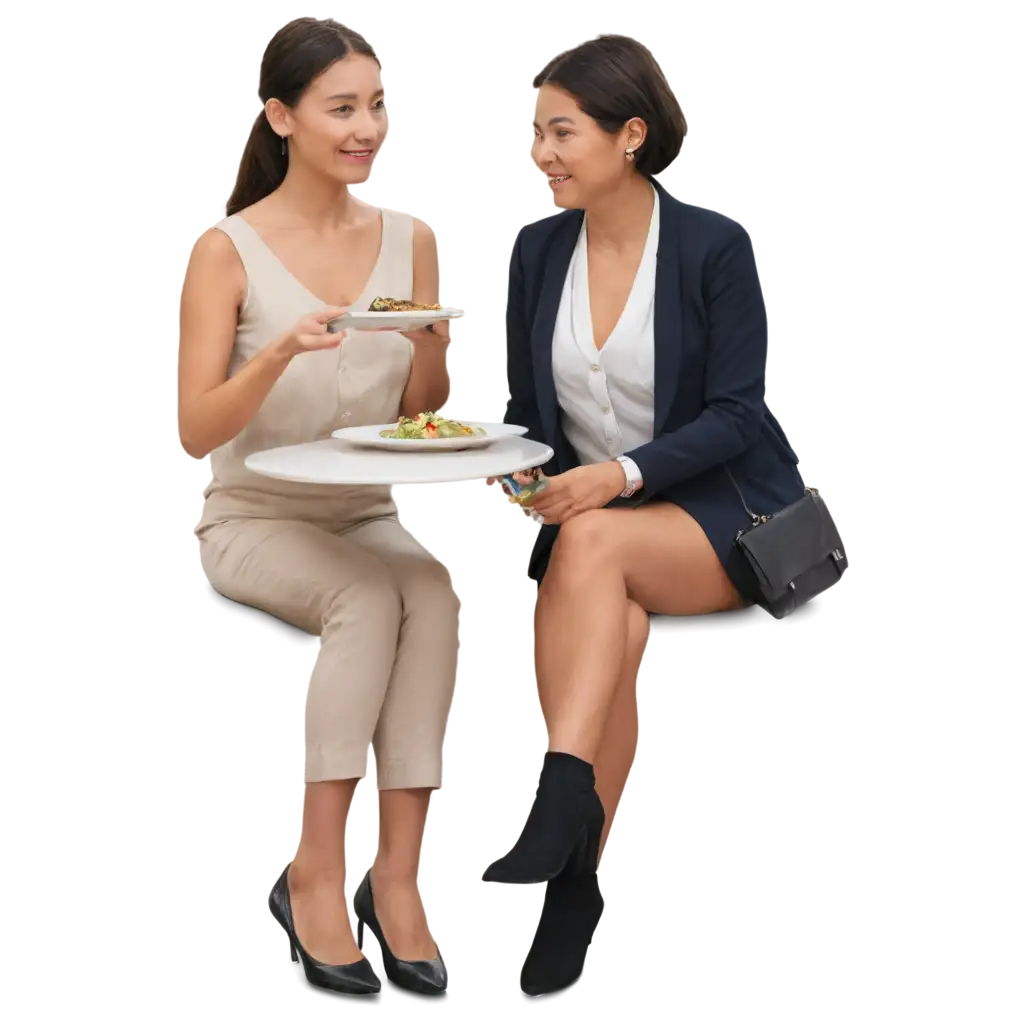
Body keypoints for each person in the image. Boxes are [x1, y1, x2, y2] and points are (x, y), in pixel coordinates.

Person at [482, 35, 810, 994]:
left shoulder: (714, 246)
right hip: (596, 539)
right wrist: (508, 478)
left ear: (631, 134)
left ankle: (555, 795)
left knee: (590, 543)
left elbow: (738, 417)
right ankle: (572, 883)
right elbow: (525, 421)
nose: (543, 152)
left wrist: (616, 477)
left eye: (563, 132)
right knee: (607, 619)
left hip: (722, 520)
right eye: (535, 132)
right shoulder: (538, 248)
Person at [176, 16, 452, 1000]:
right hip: (253, 517)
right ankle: (316, 869)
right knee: (368, 601)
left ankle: (404, 878)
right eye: (343, 108)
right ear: (283, 117)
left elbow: (422, 417)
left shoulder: (409, 237)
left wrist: (427, 344)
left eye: (378, 106)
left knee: (429, 586)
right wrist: (278, 353)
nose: (365, 127)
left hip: (364, 505)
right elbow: (193, 430)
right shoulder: (227, 250)